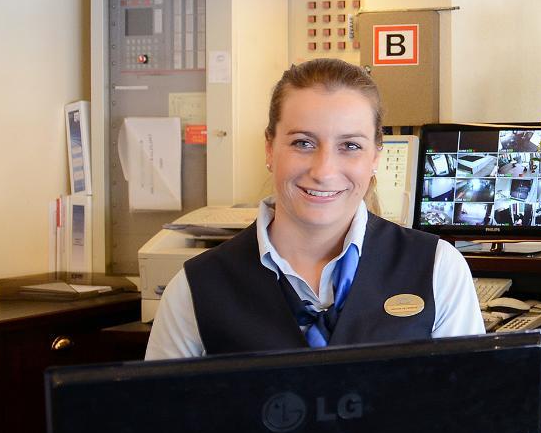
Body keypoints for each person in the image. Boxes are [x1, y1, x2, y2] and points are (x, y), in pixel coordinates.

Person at [145, 58, 485, 358]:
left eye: (350, 146)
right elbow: (162, 412)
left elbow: (469, 406)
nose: (324, 171)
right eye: (303, 143)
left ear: (375, 157)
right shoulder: (193, 289)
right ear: (269, 148)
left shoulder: (438, 269)